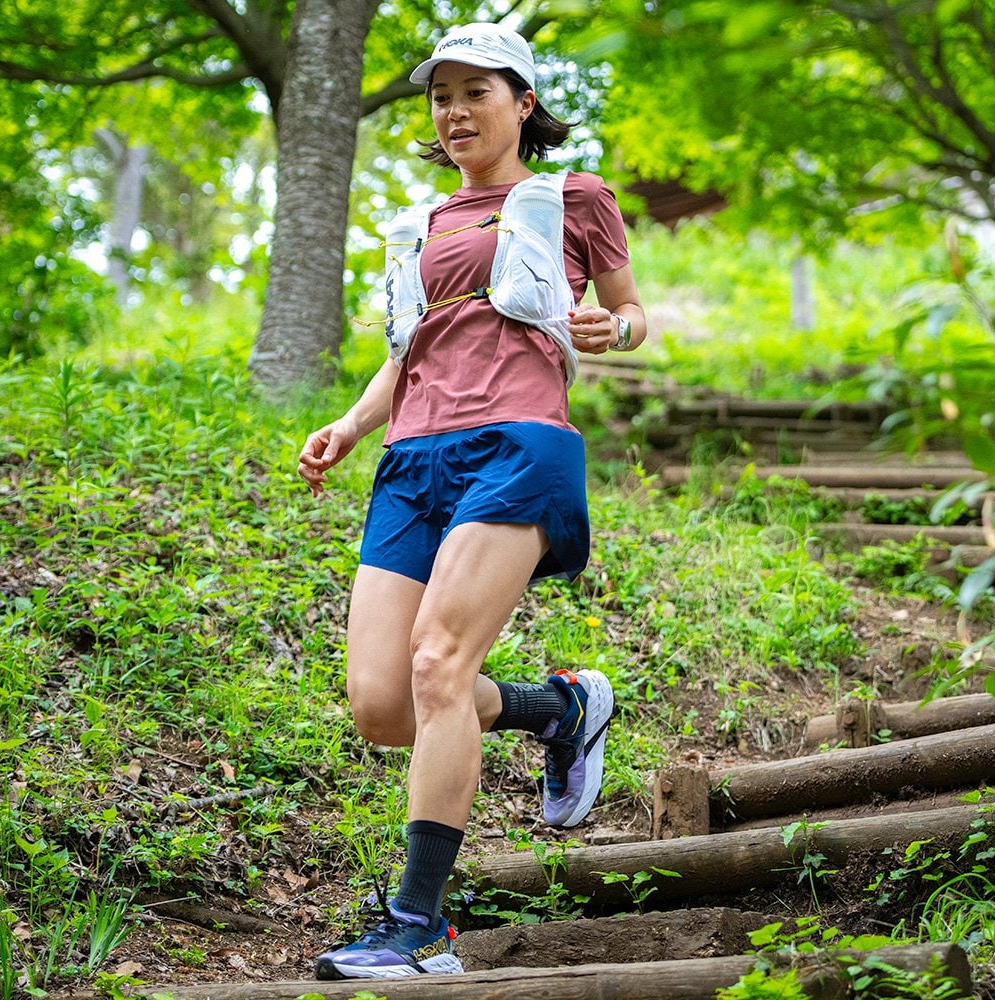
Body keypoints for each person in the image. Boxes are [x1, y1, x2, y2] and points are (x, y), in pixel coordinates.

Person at [296, 21, 646, 981]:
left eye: (475, 93)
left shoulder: (571, 198)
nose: (454, 112)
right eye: (440, 97)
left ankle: (419, 927)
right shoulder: (422, 224)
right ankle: (558, 708)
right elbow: (409, 349)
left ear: (523, 104)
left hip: (518, 445)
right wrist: (349, 426)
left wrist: (612, 329)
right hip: (412, 459)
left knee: (439, 663)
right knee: (382, 704)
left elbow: (631, 310)